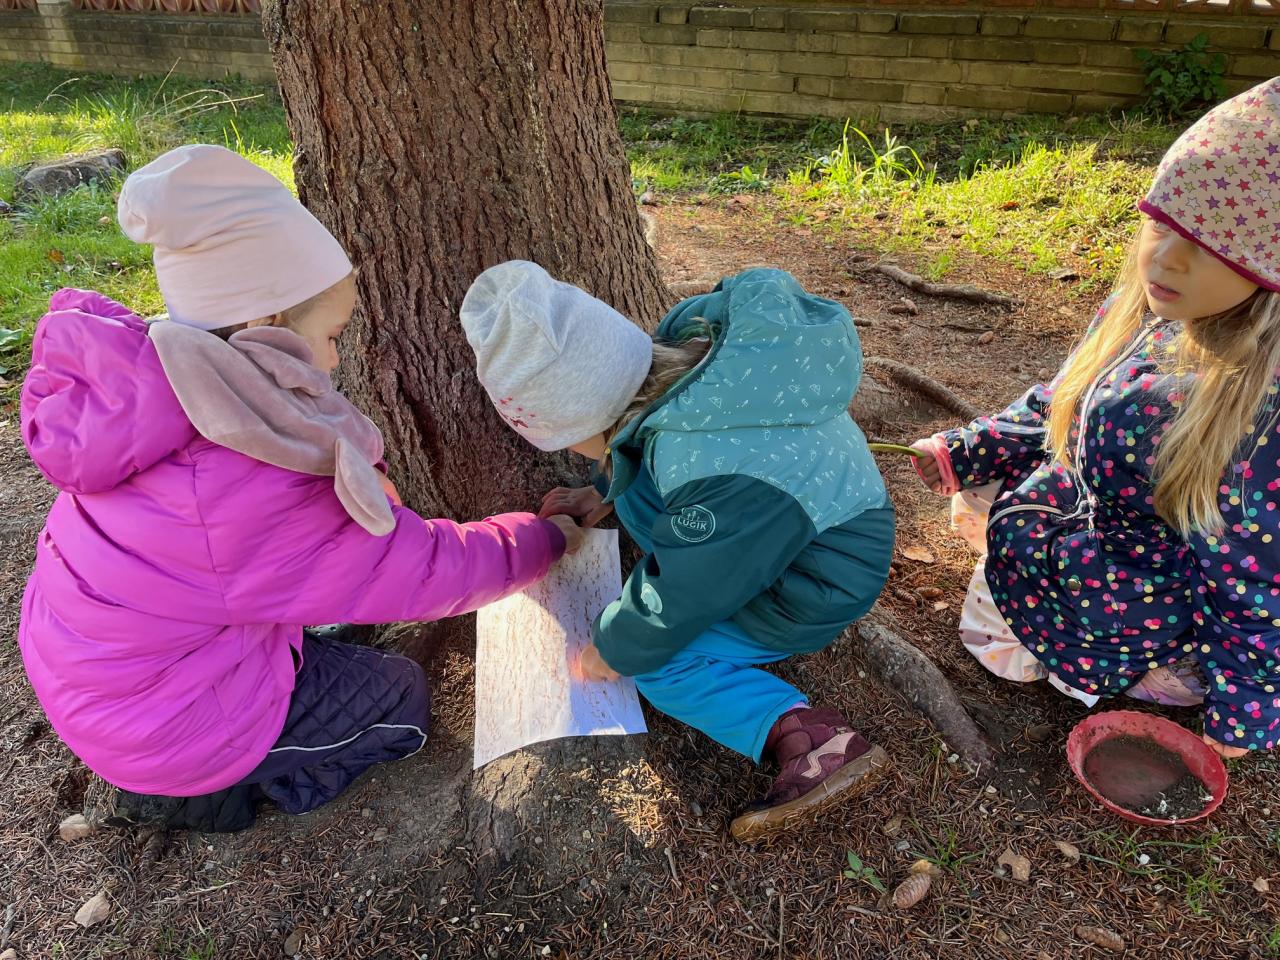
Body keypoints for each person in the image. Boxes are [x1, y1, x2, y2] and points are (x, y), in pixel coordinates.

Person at [18, 145, 581, 832]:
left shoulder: (144, 402)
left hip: (106, 683)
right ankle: (203, 794)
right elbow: (422, 570)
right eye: (333, 335)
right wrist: (542, 539)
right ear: (266, 328)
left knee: (328, 642)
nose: (338, 358)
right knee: (400, 699)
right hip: (168, 733)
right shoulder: (251, 469)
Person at [909, 78, 1280, 759]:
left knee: (996, 651)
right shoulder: (1146, 310)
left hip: (1128, 591)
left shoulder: (1254, 416)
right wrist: (970, 448)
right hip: (1079, 515)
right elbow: (1062, 398)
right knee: (978, 498)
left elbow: (1253, 587)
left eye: (1210, 245)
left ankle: (1167, 673)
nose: (1165, 258)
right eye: (1162, 224)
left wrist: (1243, 718)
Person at [460, 261, 895, 840]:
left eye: (573, 441)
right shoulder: (696, 368)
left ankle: (811, 738)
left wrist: (615, 648)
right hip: (816, 525)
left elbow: (689, 589)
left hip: (818, 581)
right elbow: (637, 442)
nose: (575, 451)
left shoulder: (712, 476)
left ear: (581, 417)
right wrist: (603, 491)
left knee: (663, 667)